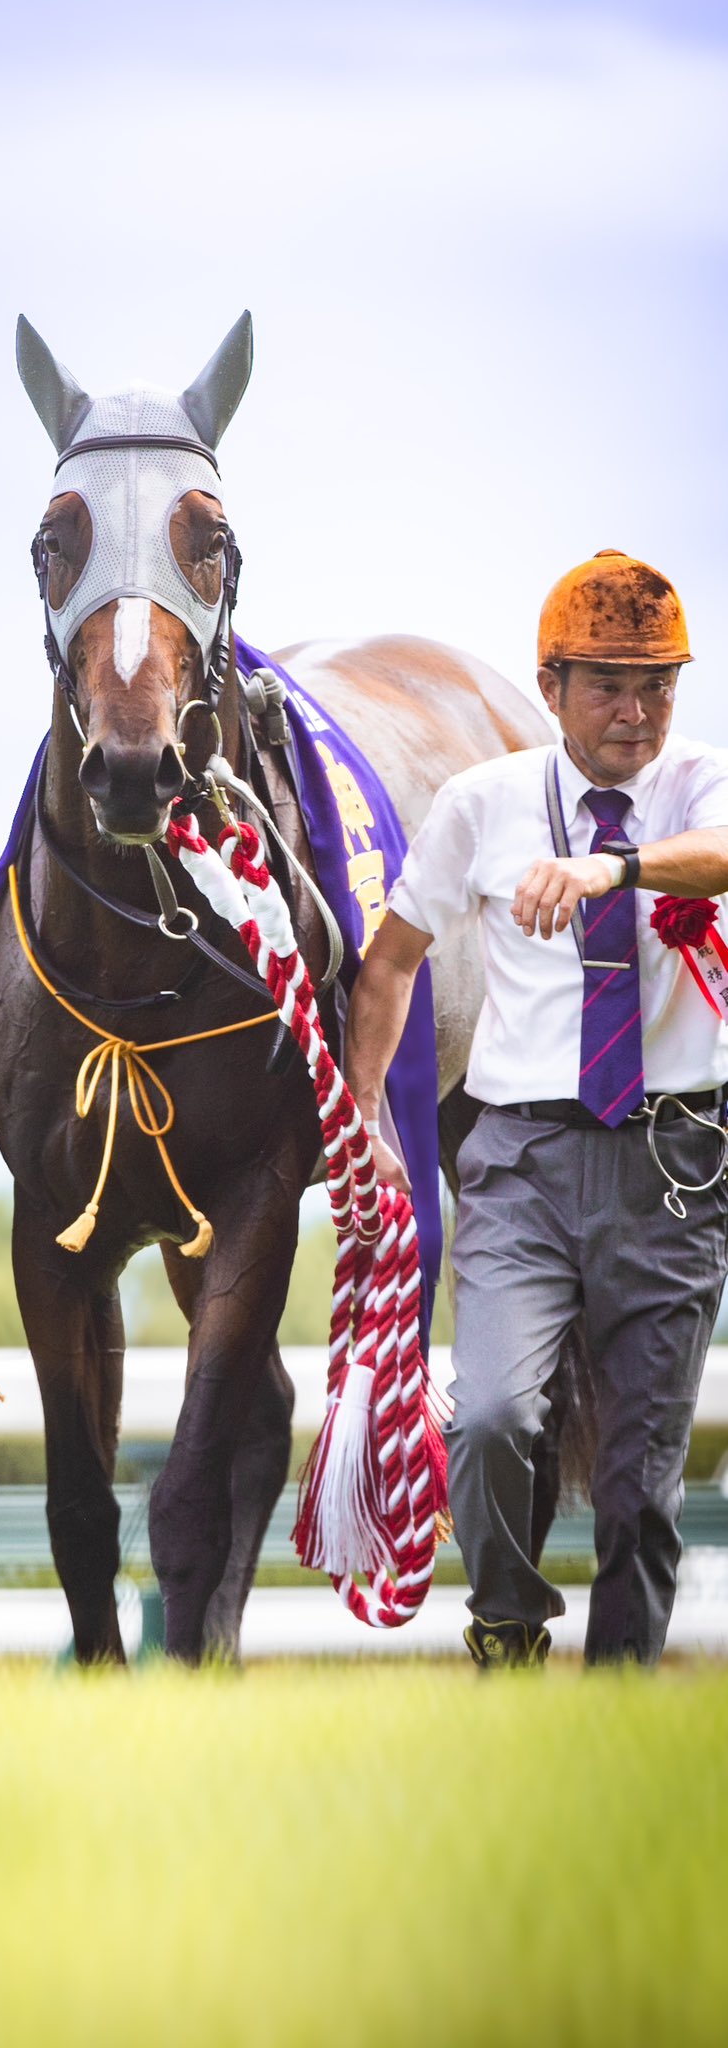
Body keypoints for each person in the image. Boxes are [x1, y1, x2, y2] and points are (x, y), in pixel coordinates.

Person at [344, 549, 728, 1667]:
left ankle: (612, 1708)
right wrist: (366, 1117)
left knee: (637, 1478)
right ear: (550, 685)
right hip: (518, 1159)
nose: (635, 709)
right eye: (607, 682)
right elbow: (391, 960)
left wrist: (616, 871)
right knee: (492, 1416)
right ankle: (506, 1616)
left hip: (674, 1163)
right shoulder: (482, 803)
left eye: (657, 682)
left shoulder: (693, 787)